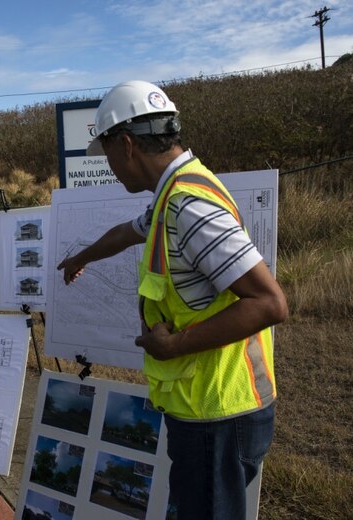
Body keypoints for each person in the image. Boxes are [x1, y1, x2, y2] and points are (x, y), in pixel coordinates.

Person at [57, 80, 288, 519]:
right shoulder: (172, 194)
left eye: (106, 155)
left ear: (126, 146)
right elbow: (129, 232)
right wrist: (81, 257)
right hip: (202, 411)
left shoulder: (187, 205)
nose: (109, 166)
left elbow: (269, 303)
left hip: (218, 416)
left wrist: (174, 346)